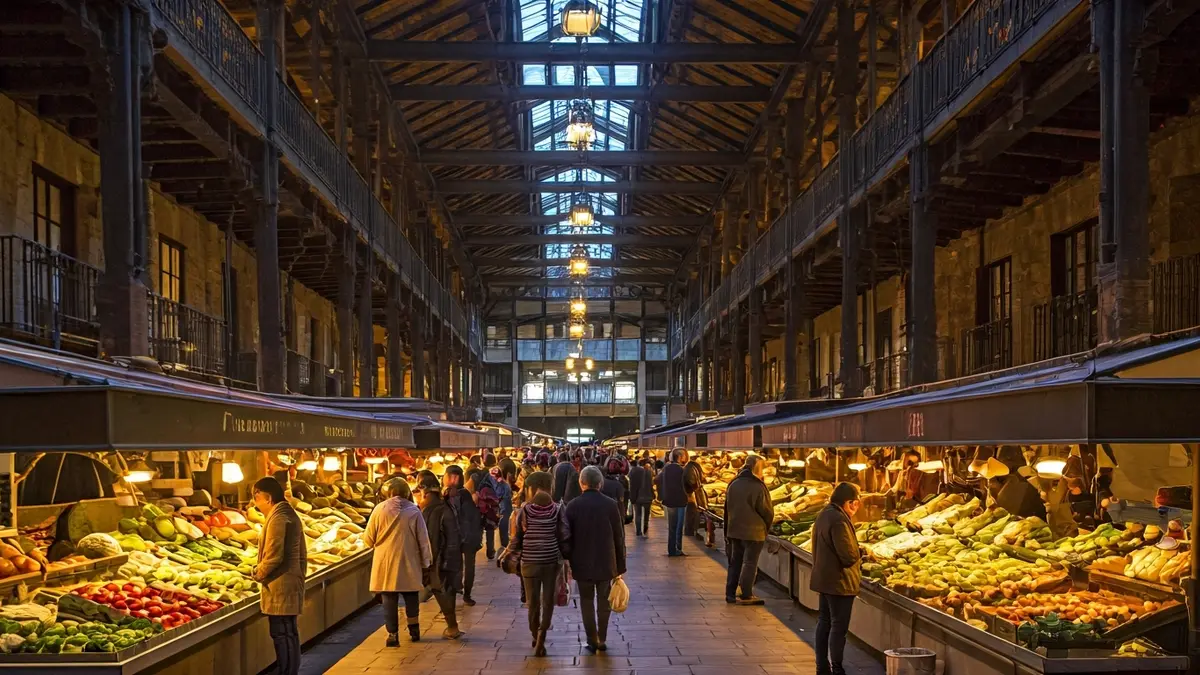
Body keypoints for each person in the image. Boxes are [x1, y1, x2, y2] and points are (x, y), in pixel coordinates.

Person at [364, 478, 432, 645]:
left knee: (389, 598)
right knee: (411, 596)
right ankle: (414, 629)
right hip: (410, 560)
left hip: (386, 562)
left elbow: (368, 539)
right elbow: (423, 540)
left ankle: (392, 634)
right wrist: (426, 564)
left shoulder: (379, 510)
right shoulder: (414, 511)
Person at [566, 466, 627, 653]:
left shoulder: (573, 505)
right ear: (600, 483)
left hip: (581, 562)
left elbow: (567, 537)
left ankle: (591, 639)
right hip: (606, 561)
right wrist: (620, 566)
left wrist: (567, 561)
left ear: (581, 483)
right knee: (603, 601)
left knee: (585, 600)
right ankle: (602, 638)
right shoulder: (610, 504)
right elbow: (619, 536)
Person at [251, 477, 307, 675]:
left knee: (282, 633)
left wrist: (257, 573)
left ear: (266, 497)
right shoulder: (285, 513)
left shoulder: (279, 518)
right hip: (288, 582)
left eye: (255, 498)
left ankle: (287, 671)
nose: (254, 504)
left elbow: (274, 556)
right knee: (288, 632)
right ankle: (290, 670)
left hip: (281, 585)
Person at [513, 471, 570, 657]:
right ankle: (542, 636)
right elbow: (564, 535)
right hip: (550, 562)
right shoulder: (557, 508)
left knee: (533, 603)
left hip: (529, 562)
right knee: (548, 602)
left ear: (532, 489)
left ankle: (533, 634)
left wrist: (508, 555)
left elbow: (517, 539)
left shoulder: (524, 510)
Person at [810, 482, 863, 675]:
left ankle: (822, 667)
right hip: (839, 582)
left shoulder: (825, 513)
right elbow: (848, 556)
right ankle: (837, 669)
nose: (857, 508)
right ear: (849, 502)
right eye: (856, 503)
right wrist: (861, 551)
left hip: (825, 579)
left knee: (824, 622)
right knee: (838, 627)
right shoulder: (840, 520)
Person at [417, 474, 464, 639]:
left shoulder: (433, 510)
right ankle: (453, 626)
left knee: (441, 590)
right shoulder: (444, 506)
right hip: (451, 556)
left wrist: (428, 563)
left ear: (425, 492)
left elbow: (431, 539)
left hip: (441, 559)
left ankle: (452, 627)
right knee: (447, 590)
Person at [724, 456, 774, 605]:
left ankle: (730, 593)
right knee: (750, 563)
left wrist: (727, 529)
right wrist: (766, 528)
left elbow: (726, 510)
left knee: (735, 562)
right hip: (754, 531)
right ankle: (746, 593)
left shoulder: (733, 483)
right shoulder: (758, 486)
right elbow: (767, 511)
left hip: (734, 530)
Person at [443, 465, 482, 606]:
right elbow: (474, 516)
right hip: (465, 537)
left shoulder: (449, 495)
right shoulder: (463, 494)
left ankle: (459, 593)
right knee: (465, 567)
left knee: (457, 566)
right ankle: (464, 594)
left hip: (456, 537)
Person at [656, 449, 690, 556]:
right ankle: (677, 548)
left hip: (669, 501)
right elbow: (688, 483)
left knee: (672, 527)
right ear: (679, 457)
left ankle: (672, 549)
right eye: (684, 456)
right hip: (680, 501)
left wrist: (663, 494)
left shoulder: (666, 469)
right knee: (679, 527)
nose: (685, 458)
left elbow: (657, 480)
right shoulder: (682, 470)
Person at [628, 459, 654, 537]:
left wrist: (632, 497)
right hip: (648, 496)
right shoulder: (649, 472)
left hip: (637, 497)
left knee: (638, 515)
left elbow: (632, 486)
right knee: (646, 515)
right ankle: (645, 530)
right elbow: (651, 484)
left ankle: (638, 531)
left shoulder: (634, 471)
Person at [683, 454, 706, 536]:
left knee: (692, 514)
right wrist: (696, 489)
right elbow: (692, 482)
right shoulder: (690, 469)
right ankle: (690, 532)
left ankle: (691, 531)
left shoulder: (691, 468)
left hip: (692, 496)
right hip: (691, 497)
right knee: (691, 514)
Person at [601, 457, 628, 522]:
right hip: (617, 512)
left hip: (604, 513)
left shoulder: (602, 482)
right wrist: (623, 516)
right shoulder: (622, 481)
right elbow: (622, 501)